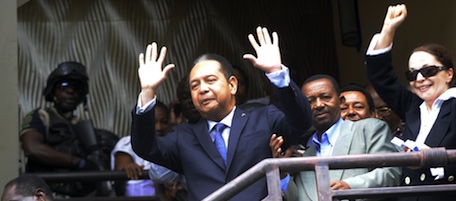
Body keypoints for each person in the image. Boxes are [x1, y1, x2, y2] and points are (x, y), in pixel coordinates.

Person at [131, 26, 312, 201]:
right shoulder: (183, 136)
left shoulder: (263, 118)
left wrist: (276, 73)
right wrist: (147, 91)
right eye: (195, 85)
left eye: (210, 80)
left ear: (232, 85)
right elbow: (144, 147)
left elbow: (301, 122)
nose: (202, 89)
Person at [365, 4, 456, 200]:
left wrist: (434, 160)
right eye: (412, 74)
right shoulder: (412, 105)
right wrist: (388, 28)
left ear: (449, 74)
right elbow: (381, 75)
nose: (420, 78)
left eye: (429, 71)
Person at [270, 74, 401, 201]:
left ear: (340, 101)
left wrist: (351, 186)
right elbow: (295, 198)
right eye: (310, 101)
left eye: (325, 97)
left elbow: (390, 173)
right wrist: (282, 173)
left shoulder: (368, 129)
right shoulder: (306, 156)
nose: (319, 105)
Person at [20, 61, 112, 197]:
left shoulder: (82, 126)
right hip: (46, 194)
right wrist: (76, 162)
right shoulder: (42, 116)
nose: (71, 91)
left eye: (77, 88)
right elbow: (32, 148)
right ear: (53, 91)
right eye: (64, 86)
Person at [111, 100, 171, 197]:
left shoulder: (169, 144)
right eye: (153, 122)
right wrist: (128, 167)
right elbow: (121, 168)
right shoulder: (128, 143)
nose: (159, 127)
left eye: (164, 122)